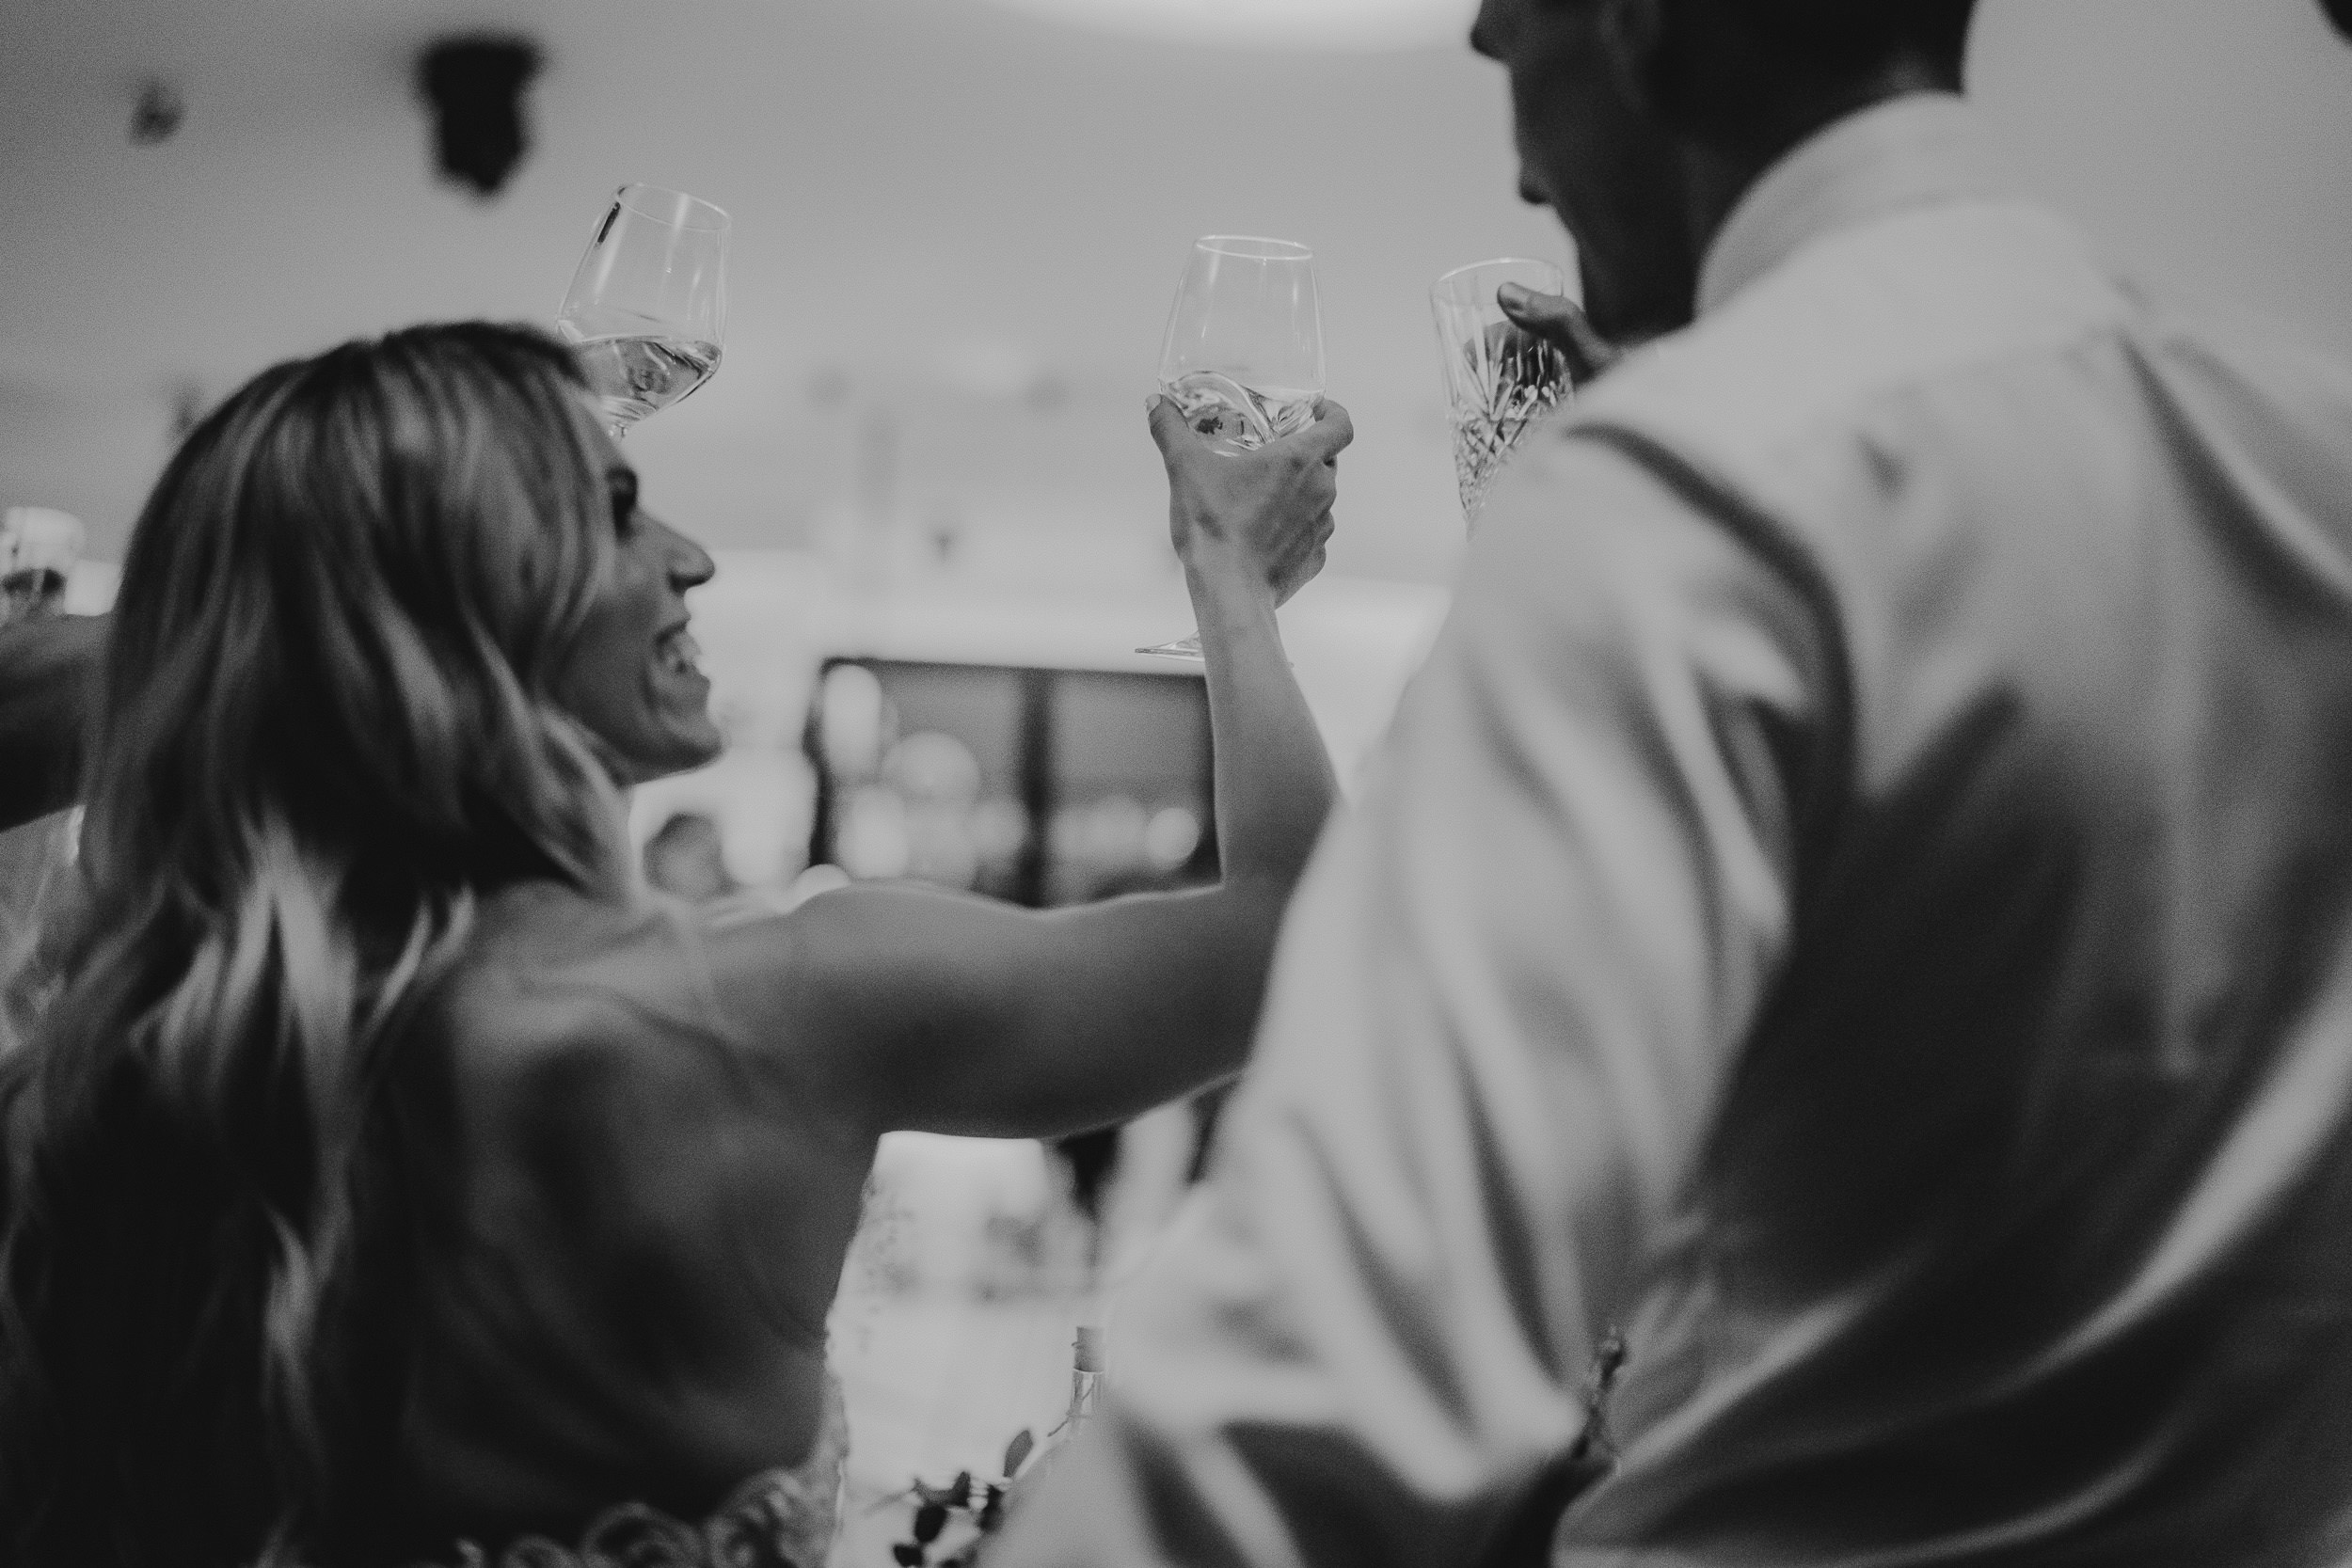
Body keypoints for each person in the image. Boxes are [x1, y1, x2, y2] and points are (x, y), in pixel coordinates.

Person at [990, 1, 2352, 1565]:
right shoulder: (2309, 454)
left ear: (1635, 23)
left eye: (1510, 33)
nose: (1515, 165)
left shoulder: (1676, 502)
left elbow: (1335, 1356)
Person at [0, 322, 1351, 1567]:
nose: (691, 557)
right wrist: (1231, 578)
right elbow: (1298, 926)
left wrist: (280, 601)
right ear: (463, 606)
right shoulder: (779, 1006)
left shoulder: (111, 1072)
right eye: (617, 511)